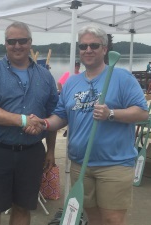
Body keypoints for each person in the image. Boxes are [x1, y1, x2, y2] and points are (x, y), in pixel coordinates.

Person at [27, 24, 149, 225]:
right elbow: (61, 116)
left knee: (113, 220)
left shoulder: (121, 77)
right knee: (92, 218)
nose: (88, 50)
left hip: (114, 164)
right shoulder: (72, 83)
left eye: (94, 45)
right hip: (80, 164)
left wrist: (111, 114)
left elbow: (142, 112)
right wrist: (44, 124)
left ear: (104, 49)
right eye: (83, 46)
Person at [0, 21, 59, 225]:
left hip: (31, 153)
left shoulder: (45, 76)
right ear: (5, 44)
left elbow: (52, 115)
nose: (17, 45)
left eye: (22, 40)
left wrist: (51, 150)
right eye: (12, 41)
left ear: (30, 42)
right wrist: (23, 120)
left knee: (23, 207)